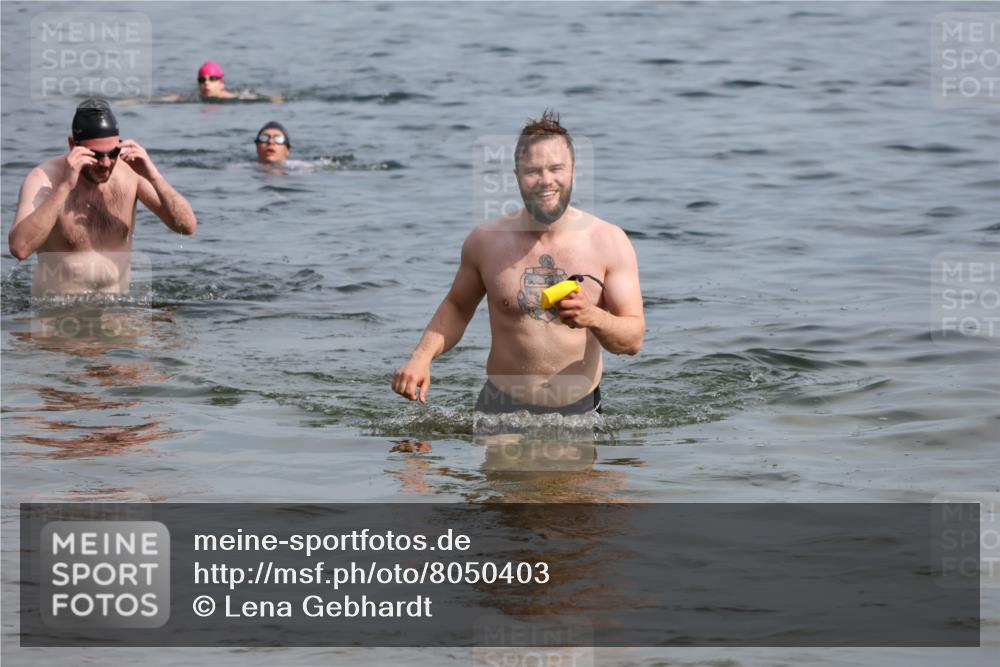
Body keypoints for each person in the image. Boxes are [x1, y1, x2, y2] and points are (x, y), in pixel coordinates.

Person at [392, 111, 644, 415]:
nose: (546, 180)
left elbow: (632, 340)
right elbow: (457, 307)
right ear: (516, 176)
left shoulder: (608, 241)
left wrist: (593, 317)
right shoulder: (486, 242)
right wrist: (421, 356)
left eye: (556, 168)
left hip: (581, 413)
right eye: (533, 171)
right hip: (500, 410)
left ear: (573, 171)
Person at [8, 98, 197, 295]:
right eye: (96, 155)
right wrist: (65, 187)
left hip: (118, 315)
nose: (106, 163)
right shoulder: (44, 179)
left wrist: (154, 176)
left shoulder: (131, 173)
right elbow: (20, 248)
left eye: (113, 152)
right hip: (59, 316)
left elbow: (186, 226)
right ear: (73, 145)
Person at [197, 60, 283, 103]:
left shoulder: (232, 97)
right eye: (202, 80)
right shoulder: (196, 98)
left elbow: (253, 97)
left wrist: (269, 99)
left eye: (212, 79)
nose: (206, 83)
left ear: (221, 83)